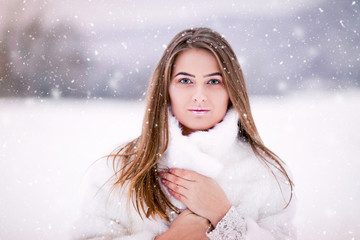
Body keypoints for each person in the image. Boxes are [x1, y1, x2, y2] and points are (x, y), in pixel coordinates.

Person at [71, 27, 296, 240]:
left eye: (214, 81)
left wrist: (226, 220)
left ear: (232, 90)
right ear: (166, 88)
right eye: (185, 80)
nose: (199, 95)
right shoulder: (120, 170)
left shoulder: (266, 174)